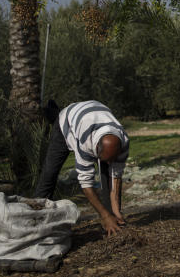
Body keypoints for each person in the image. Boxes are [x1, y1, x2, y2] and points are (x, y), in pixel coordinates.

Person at [33, 100, 130, 236]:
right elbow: (86, 184)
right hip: (66, 122)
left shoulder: (123, 142)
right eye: (106, 160)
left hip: (91, 118)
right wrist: (105, 216)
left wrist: (116, 211)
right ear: (96, 149)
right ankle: (36, 218)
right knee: (50, 172)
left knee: (107, 174)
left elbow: (116, 177)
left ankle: (113, 222)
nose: (110, 164)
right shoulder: (86, 141)